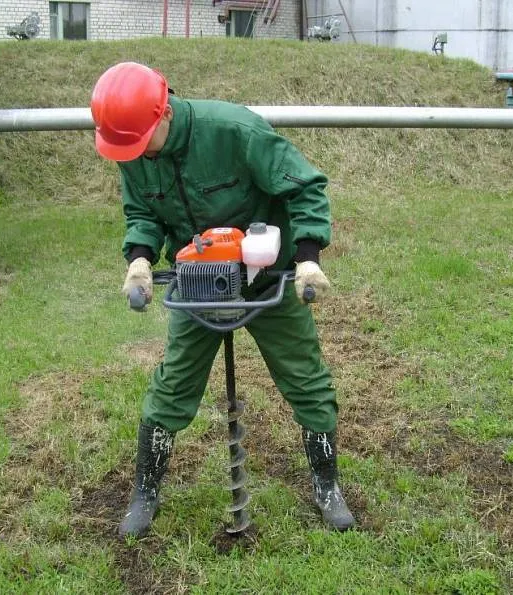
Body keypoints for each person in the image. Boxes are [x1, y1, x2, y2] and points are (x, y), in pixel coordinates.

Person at [90, 62, 355, 537]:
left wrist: (309, 256)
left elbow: (305, 185)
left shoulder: (234, 131)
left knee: (306, 377)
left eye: (137, 142)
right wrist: (140, 257)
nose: (132, 154)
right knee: (173, 386)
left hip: (266, 275)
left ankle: (327, 484)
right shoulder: (131, 147)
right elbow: (142, 212)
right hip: (199, 279)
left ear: (163, 113)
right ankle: (145, 491)